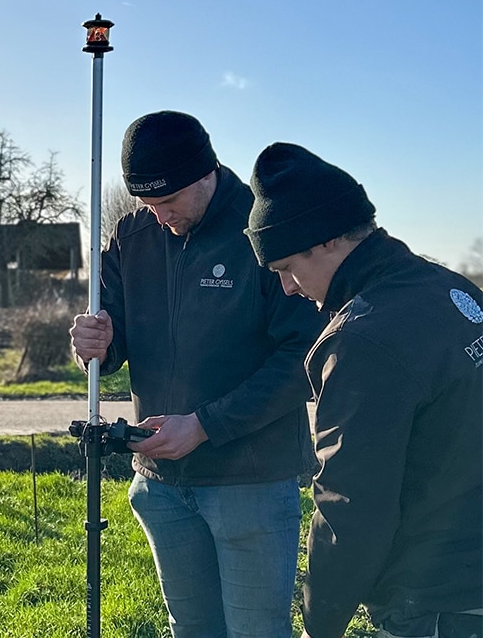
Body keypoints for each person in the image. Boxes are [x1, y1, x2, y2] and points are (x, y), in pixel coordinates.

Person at [70, 111, 325, 637]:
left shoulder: (265, 228)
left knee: (256, 631)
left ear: (205, 172)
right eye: (147, 204)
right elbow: (110, 339)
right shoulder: (131, 235)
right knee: (191, 628)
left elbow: (303, 355)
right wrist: (94, 343)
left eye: (167, 202)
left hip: (249, 481)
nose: (158, 216)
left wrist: (206, 425)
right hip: (161, 485)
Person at [244, 142, 483, 638]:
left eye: (288, 266)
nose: (288, 287)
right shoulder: (449, 290)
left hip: (436, 600)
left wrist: (320, 622)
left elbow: (351, 505)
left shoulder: (361, 342)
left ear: (327, 240)